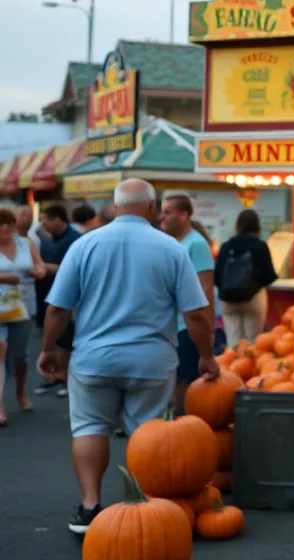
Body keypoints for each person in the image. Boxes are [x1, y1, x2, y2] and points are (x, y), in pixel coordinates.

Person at [39, 178, 215, 534]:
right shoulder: (171, 249)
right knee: (145, 434)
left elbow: (58, 308)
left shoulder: (85, 245)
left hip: (93, 358)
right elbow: (196, 313)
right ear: (152, 208)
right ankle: (135, 507)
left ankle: (90, 508)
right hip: (151, 361)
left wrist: (47, 349)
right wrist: (206, 356)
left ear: (116, 206)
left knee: (89, 427)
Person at [160, 194, 223, 414]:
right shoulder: (173, 242)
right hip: (169, 325)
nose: (162, 217)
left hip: (188, 326)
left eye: (167, 212)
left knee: (185, 382)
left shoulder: (196, 244)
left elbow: (205, 289)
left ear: (183, 215)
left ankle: (181, 424)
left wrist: (208, 329)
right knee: (172, 380)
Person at [0, 207, 46, 423]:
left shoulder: (25, 243)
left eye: (8, 222)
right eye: (0, 223)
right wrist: (3, 278)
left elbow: (40, 266)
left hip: (23, 306)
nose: (5, 227)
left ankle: (20, 392)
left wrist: (39, 272)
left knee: (19, 357)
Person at [34, 203, 79, 397]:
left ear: (58, 219)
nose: (44, 225)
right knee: (59, 339)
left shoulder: (74, 240)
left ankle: (68, 381)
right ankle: (56, 376)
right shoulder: (51, 237)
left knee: (66, 340)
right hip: (48, 293)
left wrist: (46, 267)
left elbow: (73, 271)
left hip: (67, 298)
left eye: (47, 220)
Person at [214, 209, 279, 345]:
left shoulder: (226, 246)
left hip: (228, 301)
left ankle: (233, 364)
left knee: (233, 342)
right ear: (257, 227)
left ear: (237, 225)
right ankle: (248, 365)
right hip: (253, 300)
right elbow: (269, 276)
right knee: (252, 342)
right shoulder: (260, 246)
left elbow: (216, 276)